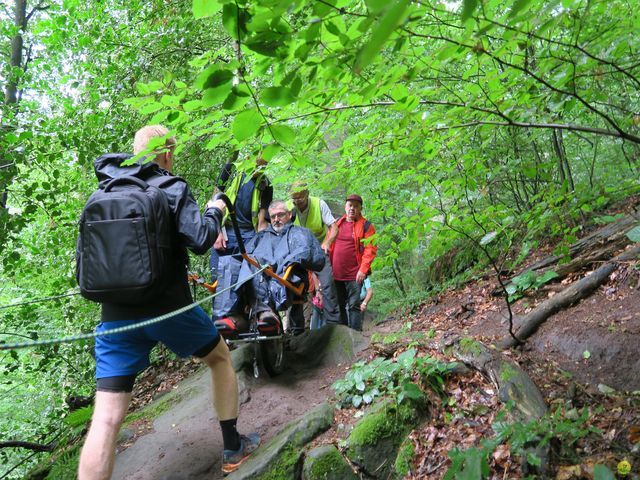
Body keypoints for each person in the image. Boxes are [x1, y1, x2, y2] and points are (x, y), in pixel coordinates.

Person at [77, 125, 259, 480]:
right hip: (169, 307)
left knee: (106, 417)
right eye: (172, 153)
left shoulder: (104, 190)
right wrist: (214, 209)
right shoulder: (171, 186)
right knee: (219, 358)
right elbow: (202, 239)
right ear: (167, 152)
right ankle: (233, 447)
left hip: (115, 317)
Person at [214, 200, 325, 336]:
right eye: (273, 217)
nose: (276, 219)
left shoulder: (299, 233)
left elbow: (309, 253)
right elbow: (245, 255)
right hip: (258, 277)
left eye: (280, 215)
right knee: (232, 261)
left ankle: (265, 312)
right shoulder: (260, 236)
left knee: (256, 262)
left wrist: (283, 263)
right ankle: (231, 315)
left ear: (290, 215)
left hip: (288, 277)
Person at [210, 157, 272, 284]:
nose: (258, 171)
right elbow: (214, 203)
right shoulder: (231, 171)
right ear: (249, 158)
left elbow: (262, 223)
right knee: (217, 278)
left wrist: (262, 245)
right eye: (257, 166)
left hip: (248, 236)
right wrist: (216, 232)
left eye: (263, 167)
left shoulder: (266, 185)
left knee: (242, 282)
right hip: (225, 231)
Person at [287, 182, 340, 326]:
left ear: (307, 194)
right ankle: (295, 328)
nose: (297, 201)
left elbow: (334, 228)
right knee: (293, 286)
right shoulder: (288, 208)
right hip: (297, 254)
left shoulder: (319, 204)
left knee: (328, 284)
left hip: (318, 251)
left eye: (300, 198)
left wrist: (327, 243)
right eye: (294, 198)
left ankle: (333, 325)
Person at [329, 194, 377, 331]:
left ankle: (356, 337)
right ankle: (343, 336)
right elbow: (328, 245)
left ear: (361, 208)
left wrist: (363, 270)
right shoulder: (337, 223)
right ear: (345, 206)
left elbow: (370, 250)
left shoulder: (367, 226)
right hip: (336, 274)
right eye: (350, 205)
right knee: (339, 306)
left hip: (355, 275)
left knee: (354, 306)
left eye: (356, 206)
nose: (352, 209)